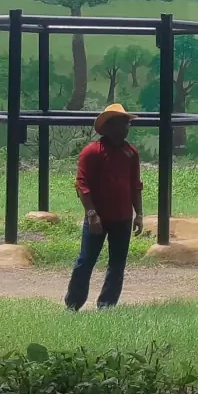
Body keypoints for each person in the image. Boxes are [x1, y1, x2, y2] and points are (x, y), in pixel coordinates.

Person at [64, 104, 144, 311]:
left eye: (127, 123)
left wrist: (139, 214)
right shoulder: (92, 152)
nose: (126, 127)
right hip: (97, 218)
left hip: (123, 218)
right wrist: (92, 215)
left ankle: (107, 305)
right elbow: (82, 185)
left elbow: (136, 184)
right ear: (109, 126)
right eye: (122, 123)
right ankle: (73, 305)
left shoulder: (130, 152)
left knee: (117, 264)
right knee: (86, 260)